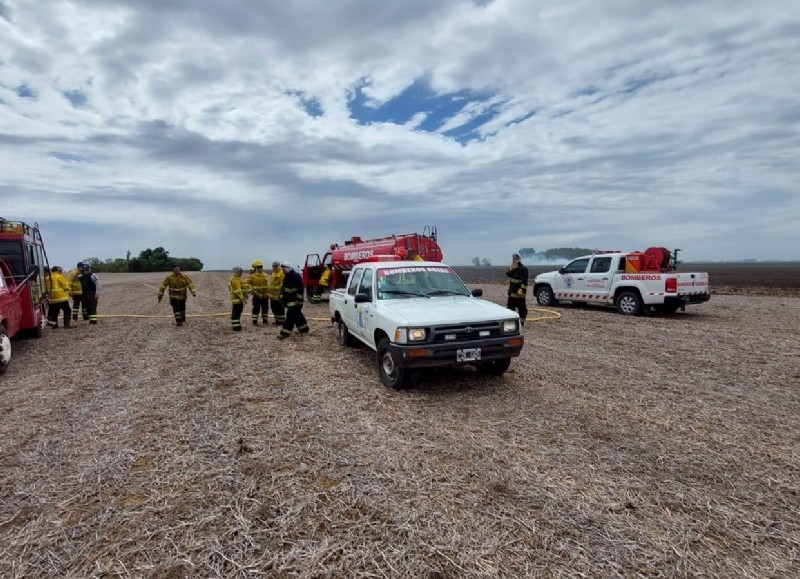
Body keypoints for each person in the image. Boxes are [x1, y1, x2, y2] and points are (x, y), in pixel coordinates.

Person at [277, 261, 309, 339]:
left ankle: (284, 333)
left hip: (295, 302)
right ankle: (304, 329)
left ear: (288, 268)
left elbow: (300, 289)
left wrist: (298, 299)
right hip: (289, 301)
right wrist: (281, 296)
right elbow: (284, 288)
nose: (283, 270)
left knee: (290, 317)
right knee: (297, 315)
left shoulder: (295, 276)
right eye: (282, 269)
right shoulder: (286, 277)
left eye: (284, 268)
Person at [506, 253, 529, 326]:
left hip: (519, 293)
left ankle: (521, 322)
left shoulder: (524, 269)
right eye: (513, 258)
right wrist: (510, 268)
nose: (514, 259)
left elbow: (524, 281)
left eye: (515, 258)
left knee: (522, 308)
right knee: (510, 307)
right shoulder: (514, 268)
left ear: (519, 259)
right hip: (512, 292)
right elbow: (508, 274)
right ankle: (511, 321)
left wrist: (521, 290)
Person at [244, 260, 269, 325]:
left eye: (261, 267)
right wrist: (250, 290)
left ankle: (265, 320)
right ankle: (254, 321)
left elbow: (267, 284)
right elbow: (246, 284)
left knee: (265, 308)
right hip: (256, 295)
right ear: (255, 268)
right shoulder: (251, 276)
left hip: (265, 296)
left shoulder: (265, 275)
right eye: (258, 267)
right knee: (256, 309)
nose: (260, 268)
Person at [267, 260, 286, 325]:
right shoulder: (273, 273)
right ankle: (277, 320)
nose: (274, 267)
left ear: (279, 266)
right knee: (274, 308)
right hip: (272, 296)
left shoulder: (282, 273)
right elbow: (272, 284)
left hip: (278, 296)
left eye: (276, 266)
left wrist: (281, 294)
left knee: (280, 309)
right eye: (273, 266)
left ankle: (282, 321)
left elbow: (282, 285)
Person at [229, 267, 247, 331]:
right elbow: (238, 291)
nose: (241, 273)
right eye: (240, 271)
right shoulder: (235, 279)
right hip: (237, 300)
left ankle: (237, 325)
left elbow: (242, 287)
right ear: (237, 272)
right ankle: (236, 327)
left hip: (238, 300)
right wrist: (242, 299)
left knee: (238, 313)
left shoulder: (237, 279)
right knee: (236, 313)